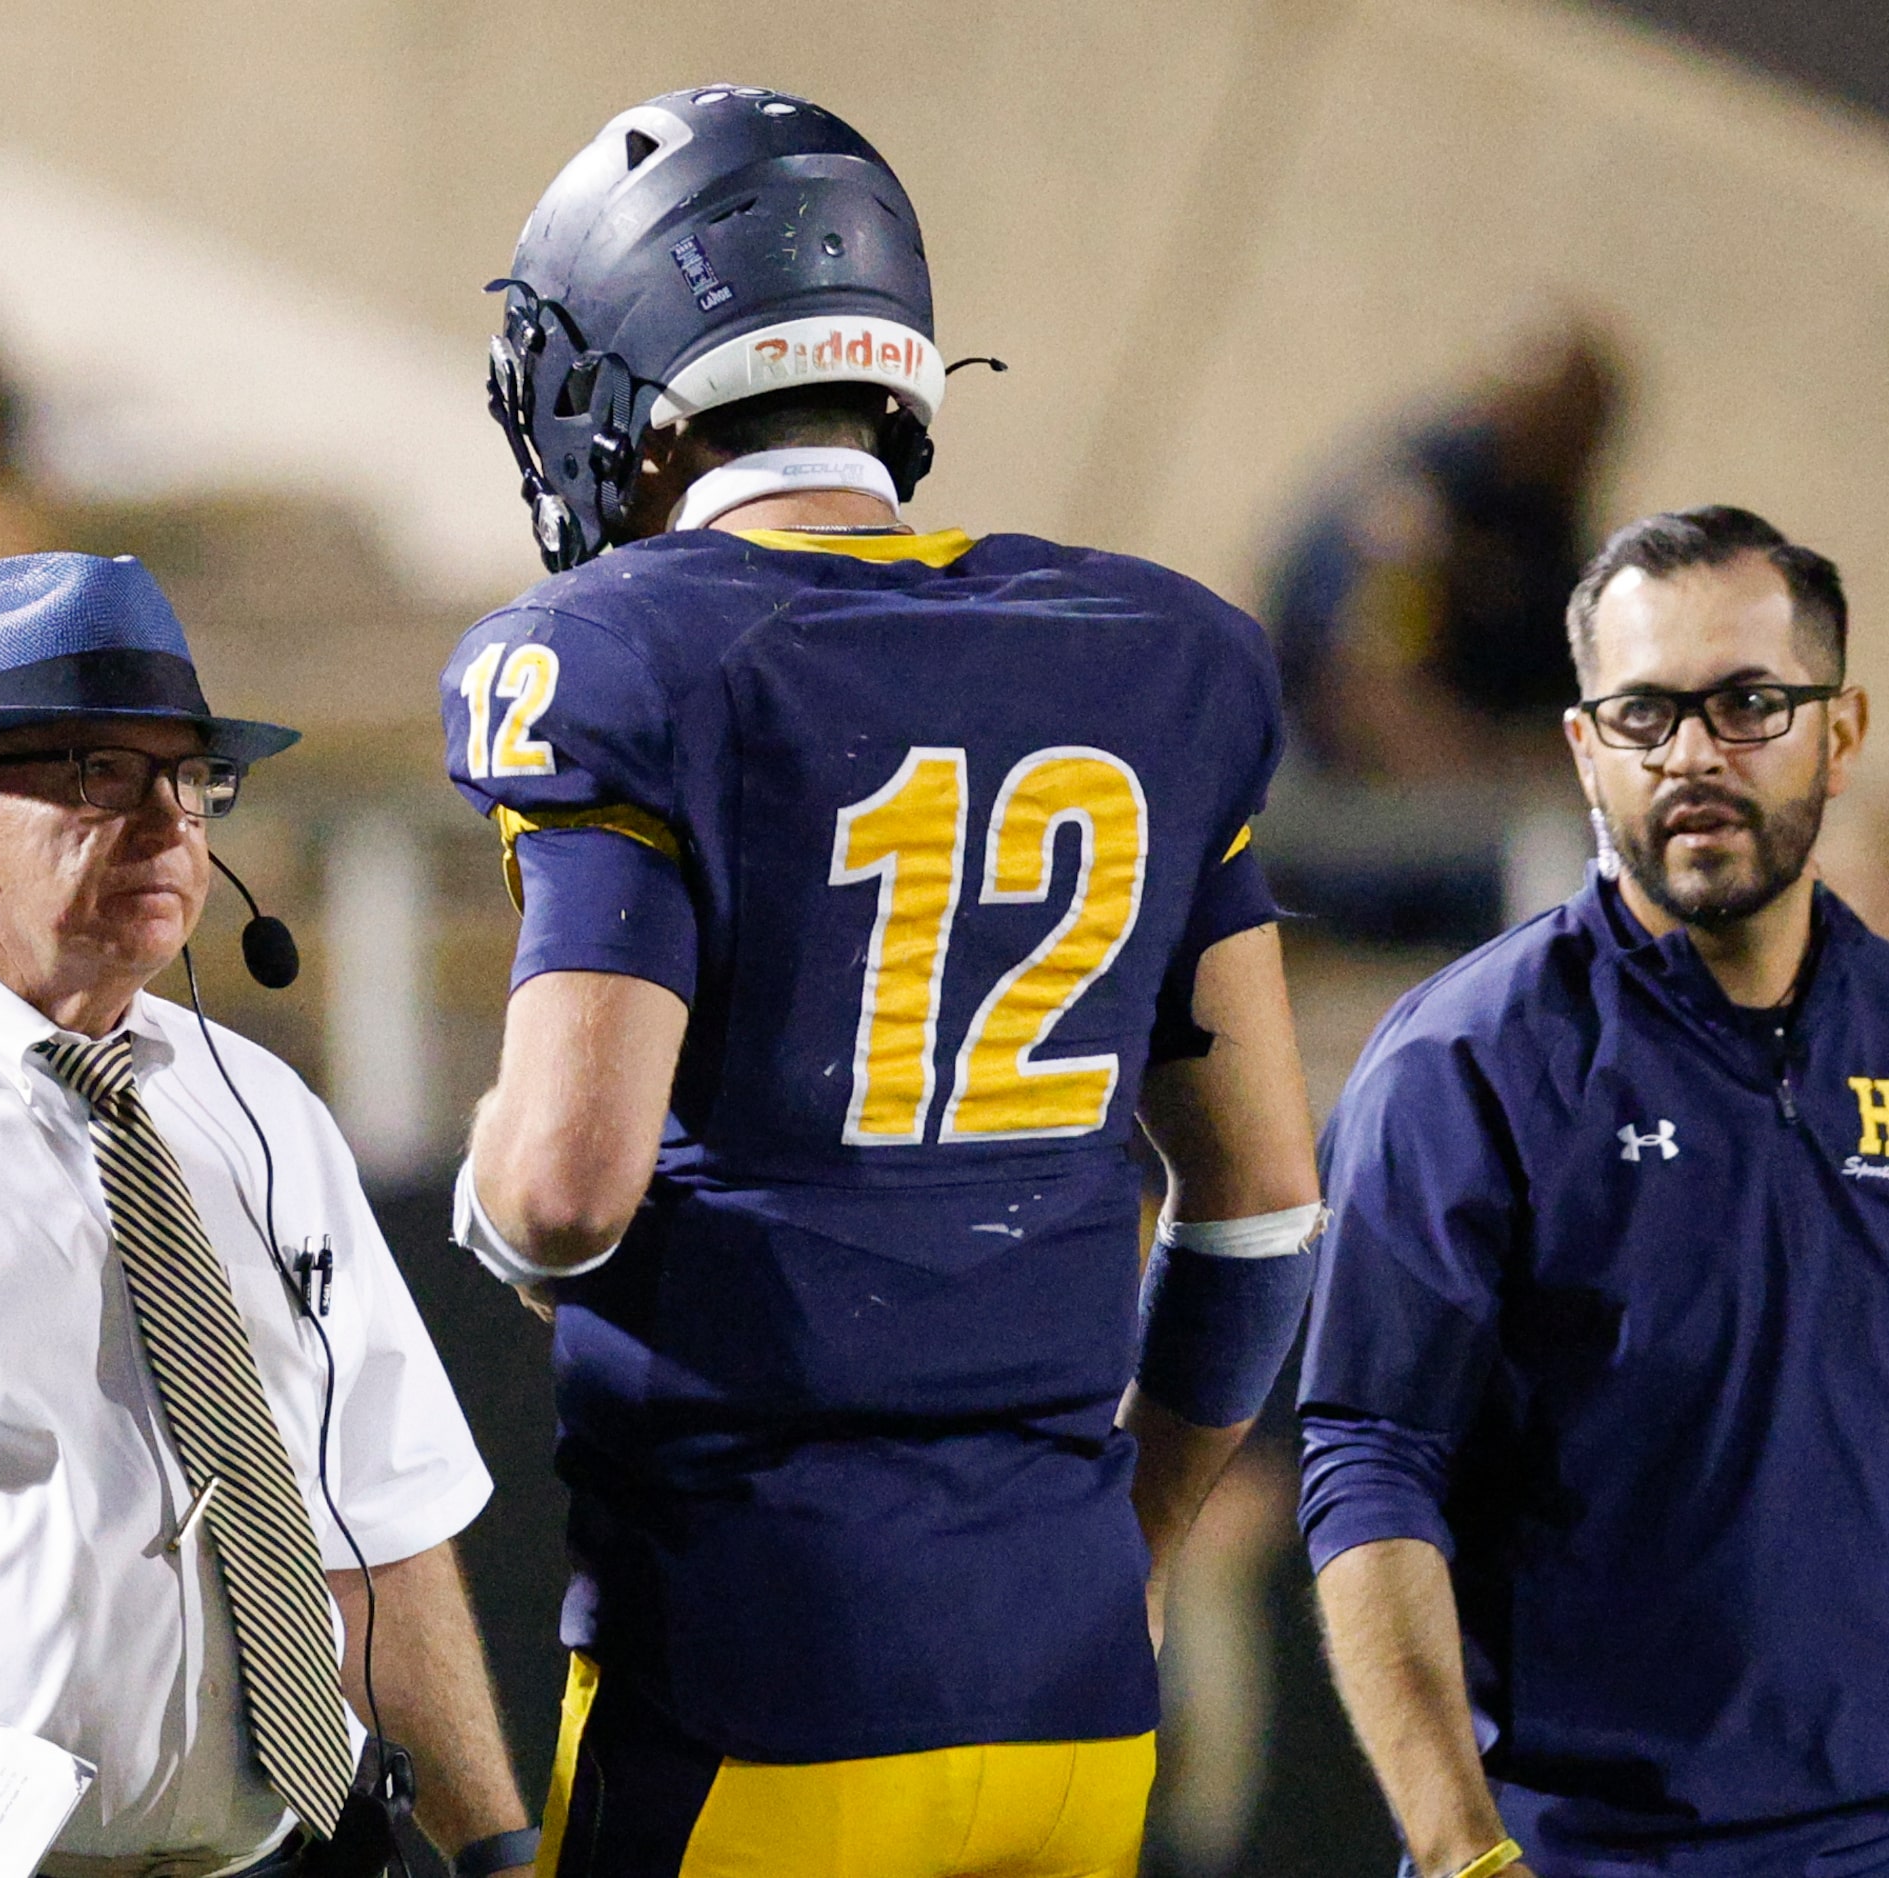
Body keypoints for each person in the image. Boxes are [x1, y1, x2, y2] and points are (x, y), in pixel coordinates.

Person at [445, 88, 1324, 1878]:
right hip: (1070, 1687)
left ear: (618, 374)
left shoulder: (625, 652)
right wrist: (1137, 1547)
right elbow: (1257, 1207)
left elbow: (559, 1189)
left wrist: (489, 1206)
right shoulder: (1153, 650)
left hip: (763, 1659)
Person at [0, 552, 538, 1878]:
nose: (169, 823)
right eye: (99, 774)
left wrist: (491, 1848)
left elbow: (382, 1517)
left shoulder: (261, 1109)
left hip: (280, 1856)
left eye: (192, 780)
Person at [1302, 507, 1889, 1878]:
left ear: (1840, 730)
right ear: (1583, 747)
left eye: (1748, 703)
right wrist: (1460, 1852)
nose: (1691, 754)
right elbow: (1371, 1464)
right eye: (1643, 712)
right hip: (1590, 1854)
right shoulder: (1467, 1066)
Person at [1267, 322, 1624, 788]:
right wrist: (1475, 790)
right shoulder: (1416, 511)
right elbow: (1372, 688)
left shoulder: (1546, 529)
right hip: (1327, 781)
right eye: (1560, 425)